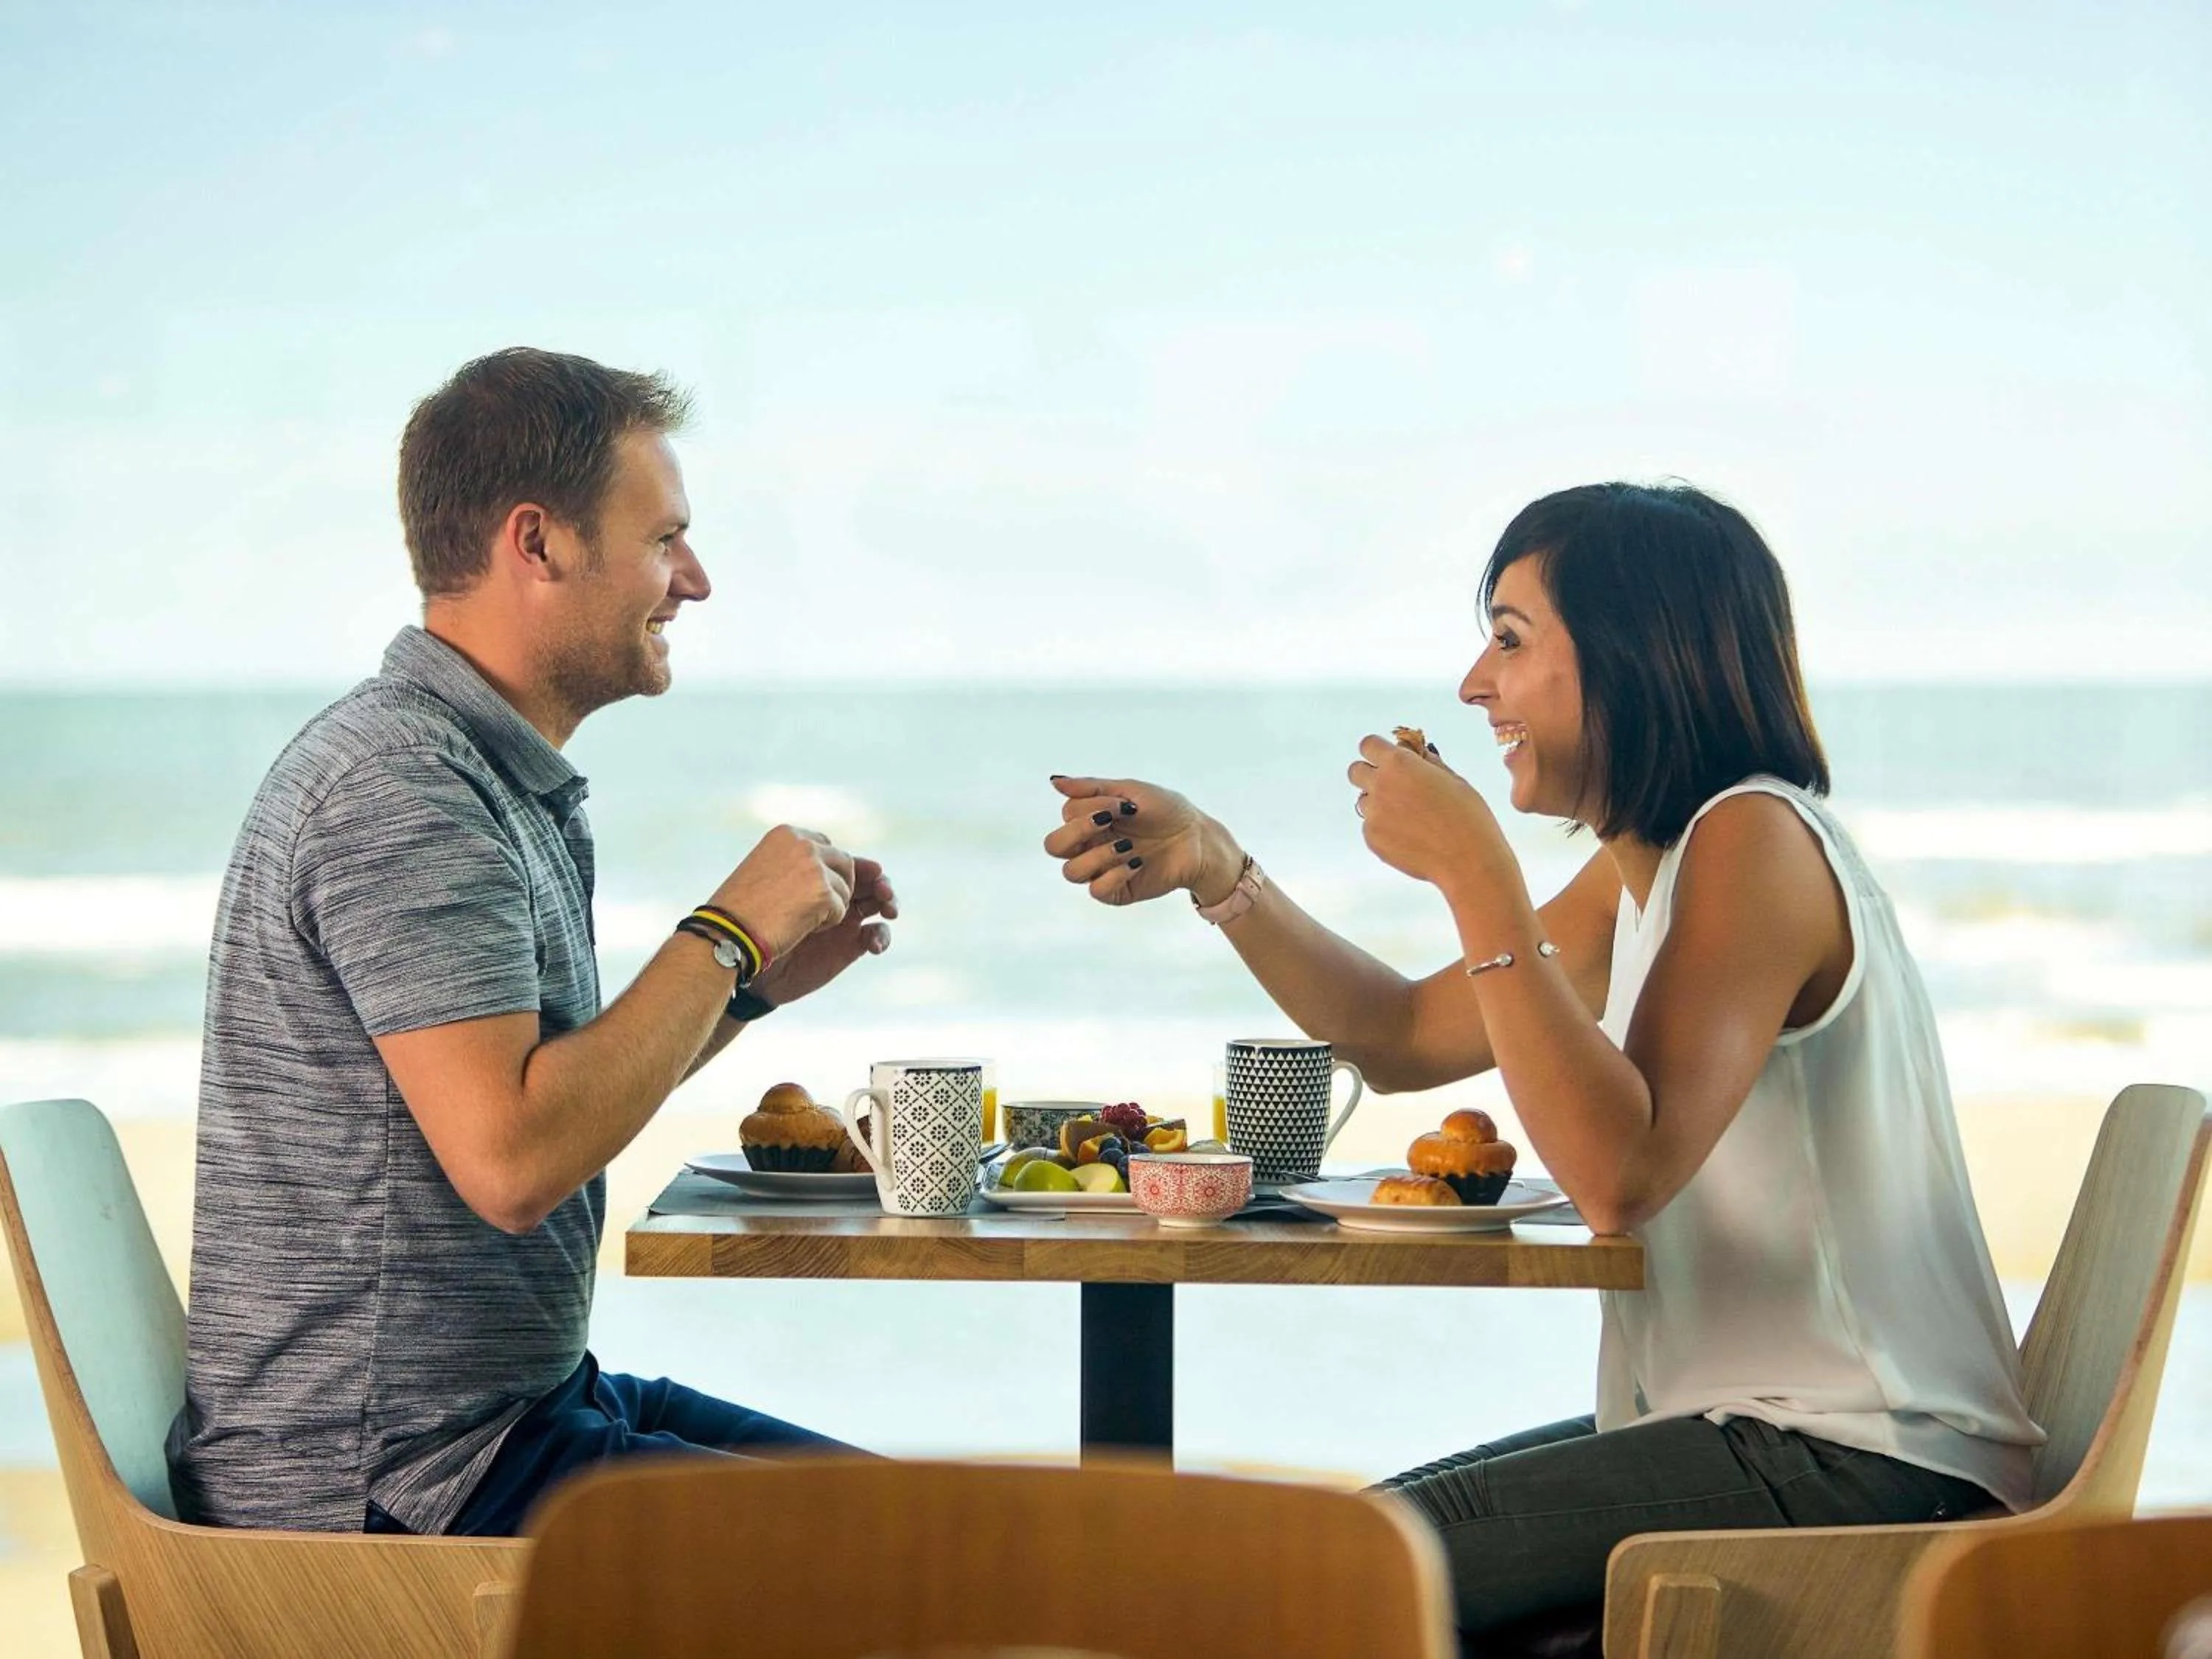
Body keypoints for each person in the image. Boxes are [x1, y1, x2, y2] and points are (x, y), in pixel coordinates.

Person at [1042, 481, 2041, 1645]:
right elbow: (1407, 1039)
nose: (1475, 684)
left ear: (1633, 655)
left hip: (1864, 1466)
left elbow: (1622, 1174)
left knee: (1334, 1578)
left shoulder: (1754, 841)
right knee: (1341, 1559)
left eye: (1510, 641)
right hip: (1772, 1439)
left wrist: (1477, 874)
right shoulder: (1656, 869)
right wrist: (1219, 869)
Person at [167, 347, 896, 1537]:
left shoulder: (480, 774)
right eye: (665, 538)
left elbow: (552, 1101)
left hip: (512, 1415)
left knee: (955, 1528)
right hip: (396, 1483)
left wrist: (751, 988)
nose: (696, 581)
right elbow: (511, 1162)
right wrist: (722, 934)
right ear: (539, 541)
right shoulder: (402, 788)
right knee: (952, 1564)